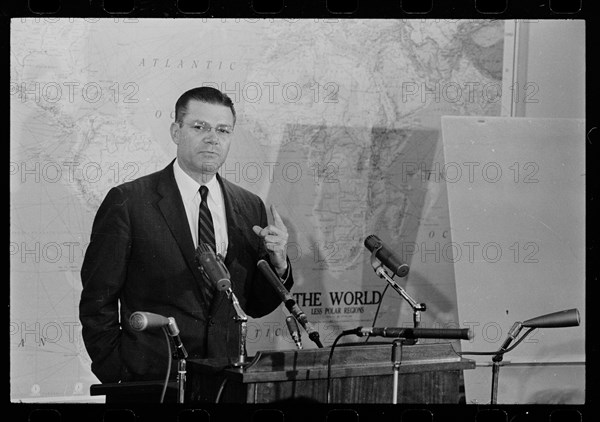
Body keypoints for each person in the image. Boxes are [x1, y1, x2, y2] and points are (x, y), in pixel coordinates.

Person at [79, 86, 293, 384]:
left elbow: (254, 306)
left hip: (225, 379)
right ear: (176, 132)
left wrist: (278, 263)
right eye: (199, 127)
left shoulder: (249, 206)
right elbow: (96, 302)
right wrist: (119, 375)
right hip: (150, 382)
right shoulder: (128, 202)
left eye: (223, 130)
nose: (212, 138)